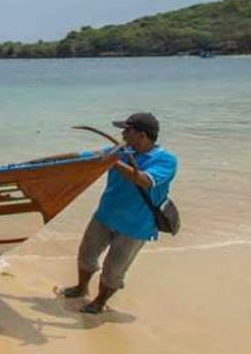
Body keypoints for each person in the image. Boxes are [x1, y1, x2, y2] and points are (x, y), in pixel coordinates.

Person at [60, 112, 177, 314]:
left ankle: (99, 302)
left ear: (142, 135)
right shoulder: (120, 152)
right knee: (86, 254)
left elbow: (145, 181)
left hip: (136, 226)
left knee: (113, 270)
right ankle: (81, 288)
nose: (122, 134)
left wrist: (113, 162)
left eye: (127, 130)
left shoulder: (166, 160)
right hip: (104, 216)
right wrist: (34, 164)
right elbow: (82, 157)